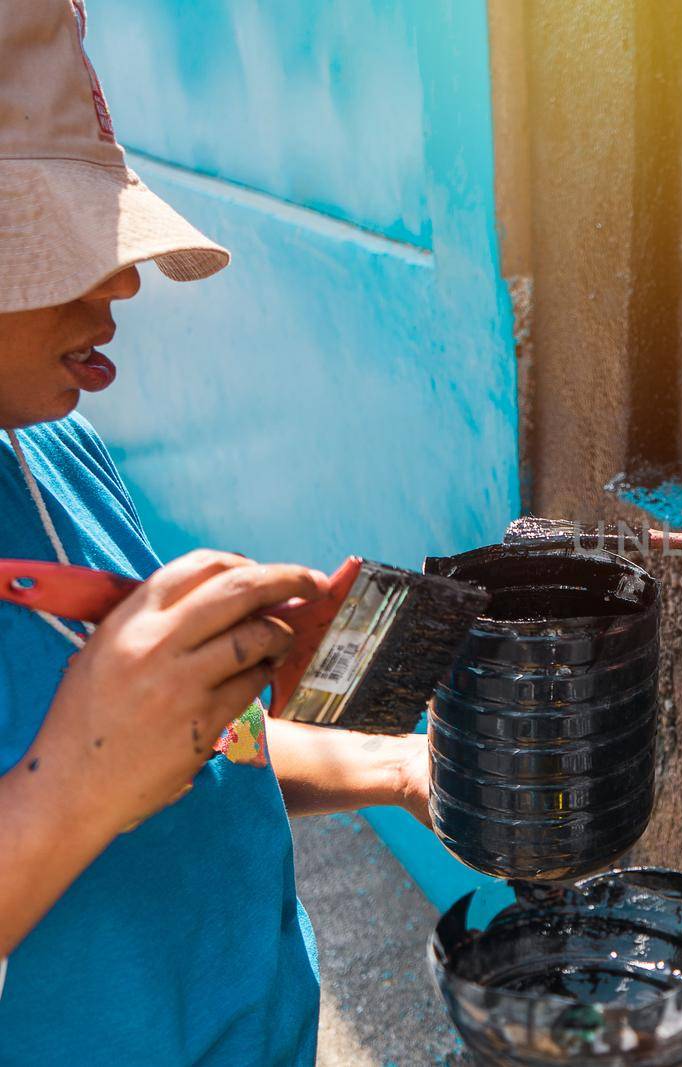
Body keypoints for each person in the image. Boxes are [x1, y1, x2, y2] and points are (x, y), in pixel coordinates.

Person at [0, 4, 430, 1063]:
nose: (122, 283)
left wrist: (394, 763)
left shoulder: (53, 447)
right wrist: (75, 781)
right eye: (52, 249)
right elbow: (93, 760)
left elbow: (179, 748)